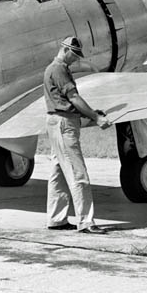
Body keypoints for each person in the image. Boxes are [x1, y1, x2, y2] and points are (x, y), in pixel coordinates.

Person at [43, 36, 111, 234]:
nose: (75, 59)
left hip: (56, 122)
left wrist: (90, 112)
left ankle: (56, 219)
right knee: (78, 173)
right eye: (74, 54)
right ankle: (86, 222)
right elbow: (73, 97)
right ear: (65, 50)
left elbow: (68, 101)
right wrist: (96, 118)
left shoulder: (52, 69)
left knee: (58, 174)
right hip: (65, 125)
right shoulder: (59, 69)